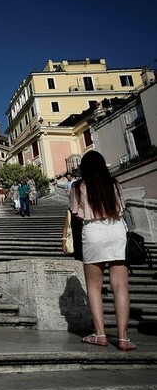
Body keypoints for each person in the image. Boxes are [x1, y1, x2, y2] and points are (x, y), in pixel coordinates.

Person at [66, 150, 134, 351]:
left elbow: (76, 213)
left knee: (94, 287)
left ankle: (100, 334)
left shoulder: (78, 187)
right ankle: (123, 338)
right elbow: (122, 208)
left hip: (93, 231)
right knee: (121, 287)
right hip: (116, 229)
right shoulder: (114, 184)